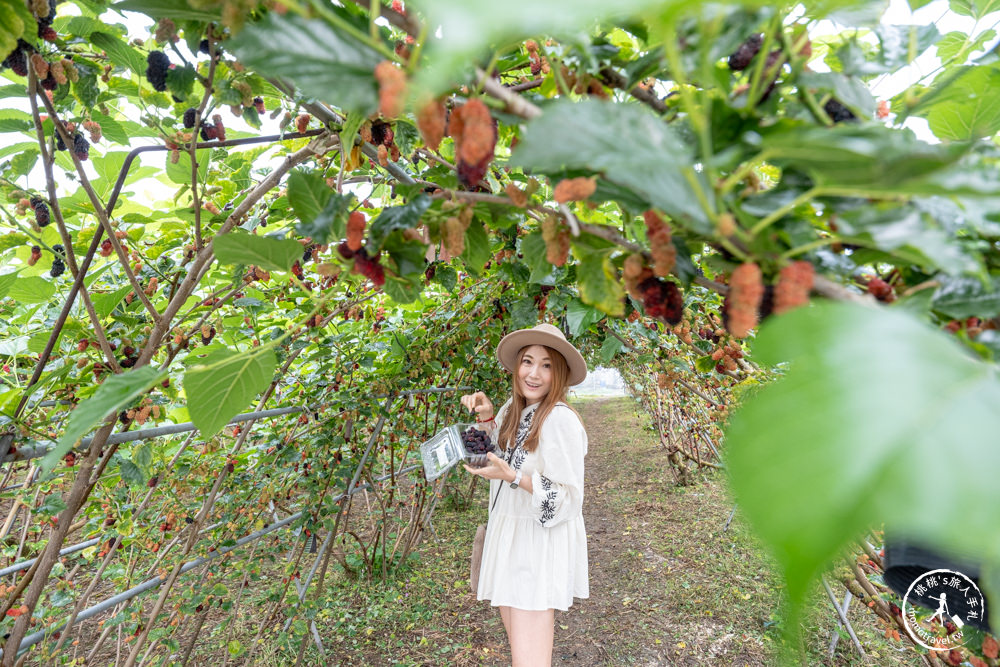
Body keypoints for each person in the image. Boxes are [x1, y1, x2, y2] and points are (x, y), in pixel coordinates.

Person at [460, 323, 589, 667]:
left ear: (559, 373)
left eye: (546, 365)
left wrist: (517, 477)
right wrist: (486, 417)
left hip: (535, 547)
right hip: (509, 538)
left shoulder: (559, 420)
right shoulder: (511, 411)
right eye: (527, 361)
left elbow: (569, 499)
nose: (534, 373)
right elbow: (498, 458)